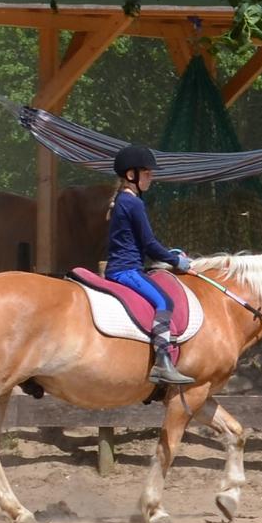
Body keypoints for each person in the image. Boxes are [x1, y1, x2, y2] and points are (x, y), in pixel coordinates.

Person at [106, 144, 195, 386]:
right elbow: (149, 244)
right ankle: (162, 363)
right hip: (126, 270)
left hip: (123, 267)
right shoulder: (133, 203)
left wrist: (169, 254)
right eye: (147, 173)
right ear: (131, 175)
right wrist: (177, 261)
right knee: (164, 301)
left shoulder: (123, 200)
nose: (151, 177)